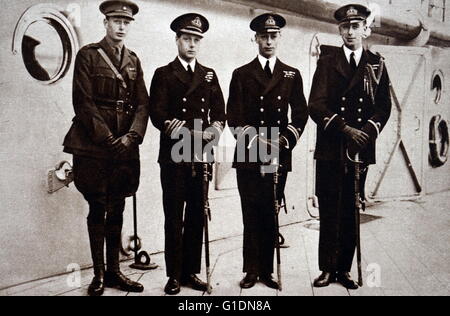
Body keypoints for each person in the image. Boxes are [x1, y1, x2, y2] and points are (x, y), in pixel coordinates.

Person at [63, 0, 148, 296]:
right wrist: (108, 139)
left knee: (119, 205)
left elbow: (142, 104)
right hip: (94, 146)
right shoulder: (87, 55)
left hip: (124, 146)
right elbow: (83, 102)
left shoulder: (134, 60)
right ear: (106, 23)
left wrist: (132, 137)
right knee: (98, 206)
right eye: (116, 21)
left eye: (126, 22)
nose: (121, 27)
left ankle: (115, 272)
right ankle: (98, 274)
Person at [309, 4, 392, 289]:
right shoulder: (327, 61)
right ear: (339, 30)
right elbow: (315, 105)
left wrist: (366, 132)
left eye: (355, 26)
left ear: (365, 29)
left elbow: (384, 107)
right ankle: (326, 269)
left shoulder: (376, 64)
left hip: (359, 149)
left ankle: (344, 269)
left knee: (351, 210)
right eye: (345, 27)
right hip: (332, 147)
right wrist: (345, 129)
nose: (350, 32)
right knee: (329, 209)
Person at [227, 13, 309, 290]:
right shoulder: (241, 74)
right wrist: (256, 142)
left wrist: (285, 140)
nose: (269, 41)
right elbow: (233, 117)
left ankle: (267, 270)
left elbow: (300, 114)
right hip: (250, 154)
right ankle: (251, 270)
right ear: (256, 39)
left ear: (279, 38)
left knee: (271, 211)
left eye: (273, 36)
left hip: (278, 150)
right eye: (264, 36)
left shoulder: (291, 74)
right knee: (251, 212)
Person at [148, 13, 226, 295]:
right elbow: (155, 111)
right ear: (177, 41)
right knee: (173, 215)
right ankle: (173, 275)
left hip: (201, 150)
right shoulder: (163, 73)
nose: (191, 44)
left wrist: (216, 128)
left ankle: (190, 271)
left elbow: (220, 111)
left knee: (196, 213)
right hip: (174, 152)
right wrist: (168, 123)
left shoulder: (209, 74)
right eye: (187, 39)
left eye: (196, 40)